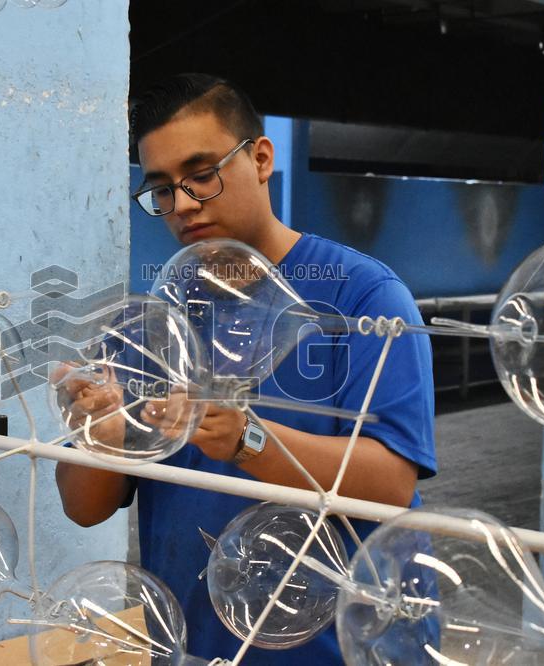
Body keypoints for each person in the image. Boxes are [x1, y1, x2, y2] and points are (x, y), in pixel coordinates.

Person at [55, 73, 436, 663]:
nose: (181, 205)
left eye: (201, 175)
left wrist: (246, 438)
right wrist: (96, 433)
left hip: (339, 648)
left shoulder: (364, 298)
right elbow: (84, 508)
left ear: (260, 159)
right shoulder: (153, 319)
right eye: (161, 189)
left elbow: (391, 484)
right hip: (196, 644)